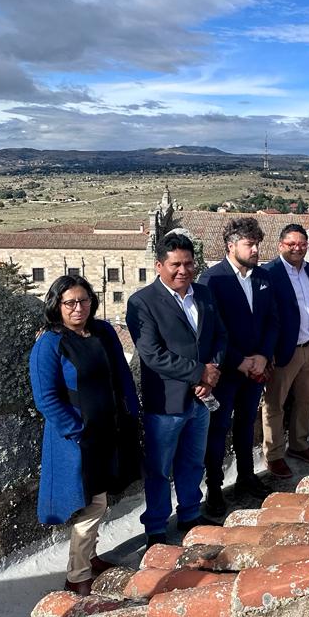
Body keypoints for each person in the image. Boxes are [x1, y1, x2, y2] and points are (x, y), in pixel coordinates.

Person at [30, 274, 141, 594]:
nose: (78, 308)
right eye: (70, 303)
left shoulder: (104, 331)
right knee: (89, 504)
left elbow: (121, 374)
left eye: (84, 301)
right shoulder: (50, 344)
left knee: (101, 500)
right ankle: (77, 575)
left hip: (109, 431)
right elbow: (46, 398)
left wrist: (131, 413)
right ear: (57, 306)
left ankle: (90, 558)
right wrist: (77, 432)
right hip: (76, 440)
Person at [126, 233, 226, 548]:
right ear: (159, 266)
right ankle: (156, 527)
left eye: (188, 263)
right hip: (166, 403)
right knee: (158, 469)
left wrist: (211, 373)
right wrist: (199, 372)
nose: (183, 270)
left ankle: (189, 515)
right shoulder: (142, 302)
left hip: (200, 399)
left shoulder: (206, 295)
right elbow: (152, 354)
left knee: (193, 462)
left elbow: (221, 336)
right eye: (175, 265)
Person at [198, 217, 278, 512]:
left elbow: (272, 320)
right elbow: (211, 331)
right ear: (231, 246)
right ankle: (215, 488)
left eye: (257, 243)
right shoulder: (213, 280)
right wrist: (239, 361)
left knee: (246, 425)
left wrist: (262, 356)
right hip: (226, 372)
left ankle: (246, 476)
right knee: (218, 430)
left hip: (255, 369)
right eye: (250, 244)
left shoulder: (263, 277)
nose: (256, 249)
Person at [261, 224, 309, 479]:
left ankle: (299, 445)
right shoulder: (269, 273)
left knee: (306, 400)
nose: (297, 248)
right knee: (275, 404)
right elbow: (266, 316)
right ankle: (274, 455)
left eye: (302, 244)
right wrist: (268, 351)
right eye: (291, 244)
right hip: (284, 352)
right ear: (280, 246)